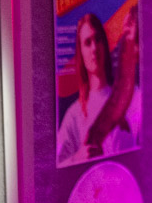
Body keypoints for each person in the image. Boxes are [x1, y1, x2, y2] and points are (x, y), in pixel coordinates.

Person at [57, 12, 141, 166]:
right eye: (87, 43)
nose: (94, 48)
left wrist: (132, 37)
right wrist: (77, 158)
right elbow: (57, 164)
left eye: (98, 39)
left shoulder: (134, 97)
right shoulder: (73, 116)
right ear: (81, 52)